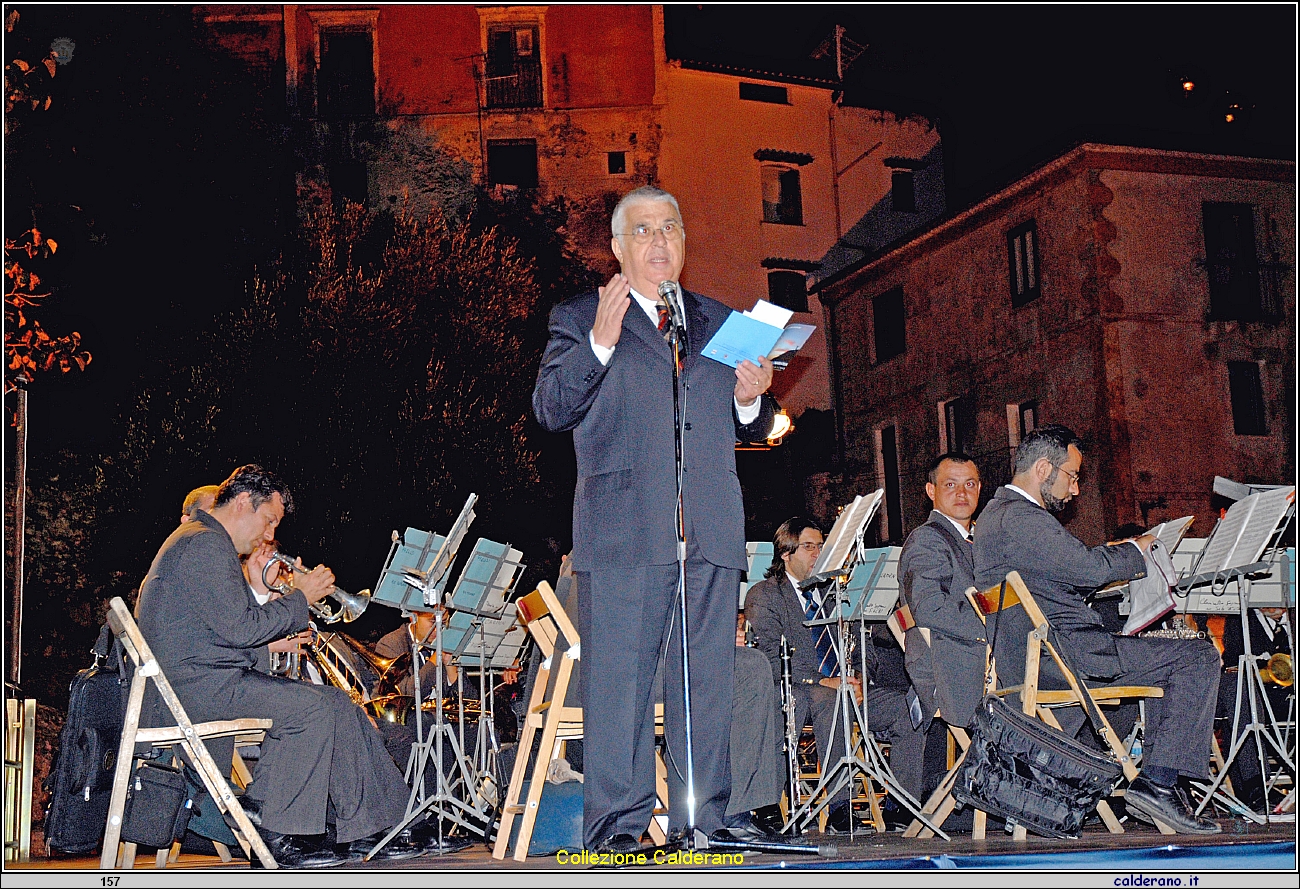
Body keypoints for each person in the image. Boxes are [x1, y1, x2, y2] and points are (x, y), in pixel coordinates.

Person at [532, 185, 775, 852]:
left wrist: (753, 402)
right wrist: (600, 346)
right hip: (622, 530)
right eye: (642, 230)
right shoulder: (580, 315)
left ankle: (703, 821)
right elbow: (551, 407)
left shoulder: (720, 322)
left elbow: (746, 422)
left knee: (707, 688)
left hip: (708, 528)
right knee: (622, 687)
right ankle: (619, 828)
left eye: (671, 226)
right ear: (616, 247)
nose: (660, 240)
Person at [136, 464, 442, 866]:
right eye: (268, 520)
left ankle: (378, 827)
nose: (268, 534)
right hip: (195, 691)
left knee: (334, 702)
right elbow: (241, 629)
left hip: (203, 679)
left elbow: (221, 632)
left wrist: (273, 624)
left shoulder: (200, 541)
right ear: (244, 501)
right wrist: (299, 597)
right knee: (311, 709)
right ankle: (276, 830)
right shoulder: (206, 543)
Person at [973, 424, 1222, 835]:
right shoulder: (1020, 518)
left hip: (1036, 659)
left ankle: (1161, 780)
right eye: (1071, 476)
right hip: (1067, 657)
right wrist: (1137, 550)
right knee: (1196, 654)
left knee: (1166, 663)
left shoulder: (996, 518)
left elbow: (1061, 574)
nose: (1074, 489)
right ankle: (1159, 783)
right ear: (1042, 468)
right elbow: (1087, 568)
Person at [745, 517, 927, 833]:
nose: (818, 553)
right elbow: (768, 656)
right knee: (832, 699)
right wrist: (821, 680)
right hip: (797, 687)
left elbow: (862, 644)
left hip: (845, 685)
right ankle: (840, 808)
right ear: (786, 553)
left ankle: (900, 806)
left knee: (907, 709)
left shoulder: (836, 592)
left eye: (822, 546)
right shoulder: (766, 594)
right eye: (809, 547)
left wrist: (857, 675)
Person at [898, 454, 986, 733]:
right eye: (950, 485)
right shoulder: (927, 540)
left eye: (970, 484)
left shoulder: (983, 539)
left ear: (980, 489)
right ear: (931, 491)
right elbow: (930, 608)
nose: (962, 493)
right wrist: (996, 627)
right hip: (954, 667)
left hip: (977, 659)